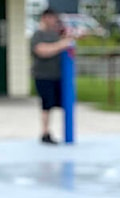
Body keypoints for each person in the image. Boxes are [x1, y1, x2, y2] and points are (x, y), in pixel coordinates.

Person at [31, 8, 74, 145]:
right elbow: (42, 50)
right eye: (51, 18)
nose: (53, 21)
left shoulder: (56, 35)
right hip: (43, 75)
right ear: (44, 18)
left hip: (58, 76)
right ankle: (45, 132)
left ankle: (66, 132)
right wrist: (61, 45)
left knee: (63, 103)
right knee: (47, 105)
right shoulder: (38, 35)